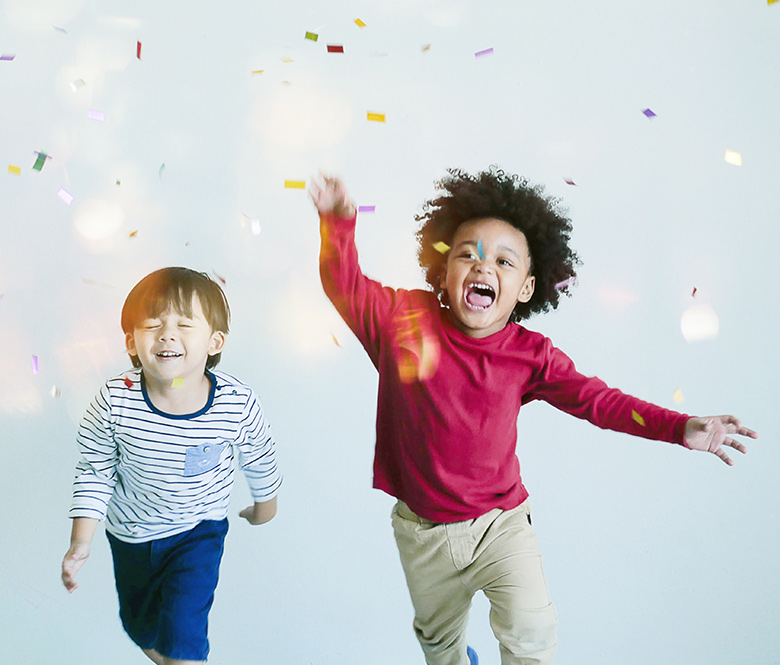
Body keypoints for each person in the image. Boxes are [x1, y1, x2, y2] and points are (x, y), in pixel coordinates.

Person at [311, 168, 757, 665]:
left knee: (532, 631)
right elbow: (342, 283)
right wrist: (337, 220)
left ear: (525, 288)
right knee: (439, 648)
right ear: (442, 272)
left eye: (504, 261)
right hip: (422, 533)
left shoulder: (531, 355)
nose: (484, 268)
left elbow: (598, 400)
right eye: (467, 254)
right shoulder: (402, 322)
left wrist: (679, 427)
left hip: (500, 525)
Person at [61, 267, 282, 665]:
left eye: (183, 324)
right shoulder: (115, 401)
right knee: (139, 626)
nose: (166, 334)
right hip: (131, 534)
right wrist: (81, 541)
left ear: (215, 341)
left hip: (198, 530)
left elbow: (259, 453)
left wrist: (266, 504)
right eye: (151, 325)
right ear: (131, 341)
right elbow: (95, 469)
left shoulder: (236, 403)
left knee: (183, 635)